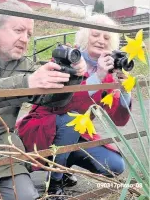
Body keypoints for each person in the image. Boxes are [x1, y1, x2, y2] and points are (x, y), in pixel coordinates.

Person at [0, 0, 86, 200]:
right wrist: (27, 83)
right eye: (18, 30)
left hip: (2, 147)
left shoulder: (23, 64)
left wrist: (73, 77)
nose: (25, 39)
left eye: (29, 34)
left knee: (26, 197)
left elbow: (52, 101)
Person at [16, 14, 132, 197]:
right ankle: (54, 181)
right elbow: (64, 105)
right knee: (70, 119)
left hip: (76, 131)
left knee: (115, 165)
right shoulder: (67, 58)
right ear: (85, 35)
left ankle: (64, 167)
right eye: (96, 35)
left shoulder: (109, 73)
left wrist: (125, 88)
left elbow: (119, 119)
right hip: (44, 126)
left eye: (107, 37)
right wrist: (97, 78)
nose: (101, 41)